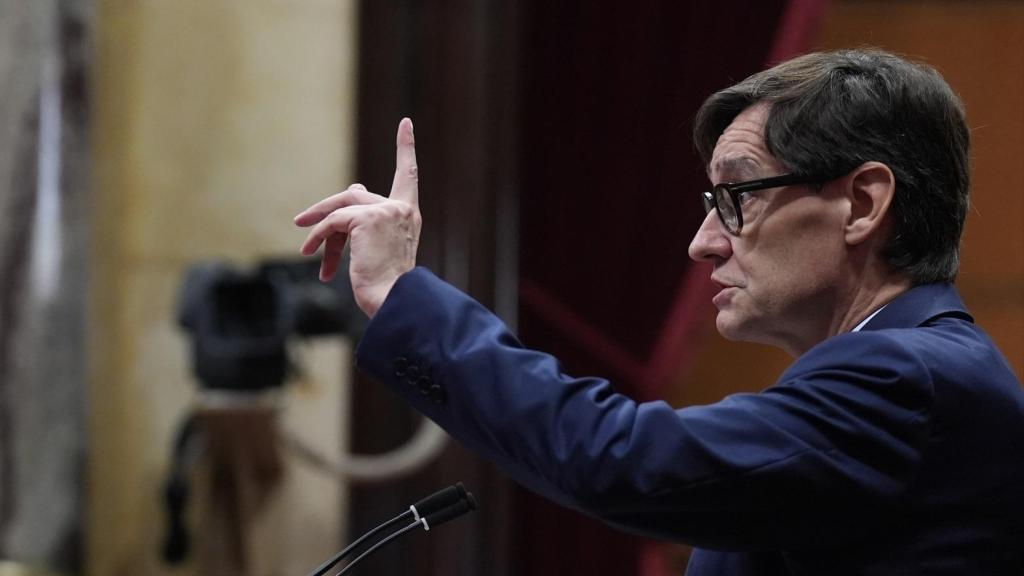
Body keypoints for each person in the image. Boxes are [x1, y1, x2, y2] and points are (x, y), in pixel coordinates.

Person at [294, 49, 1024, 575]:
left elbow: (624, 461)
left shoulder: (910, 379)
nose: (702, 243)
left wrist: (401, 295)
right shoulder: (899, 374)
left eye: (736, 198)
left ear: (863, 204)